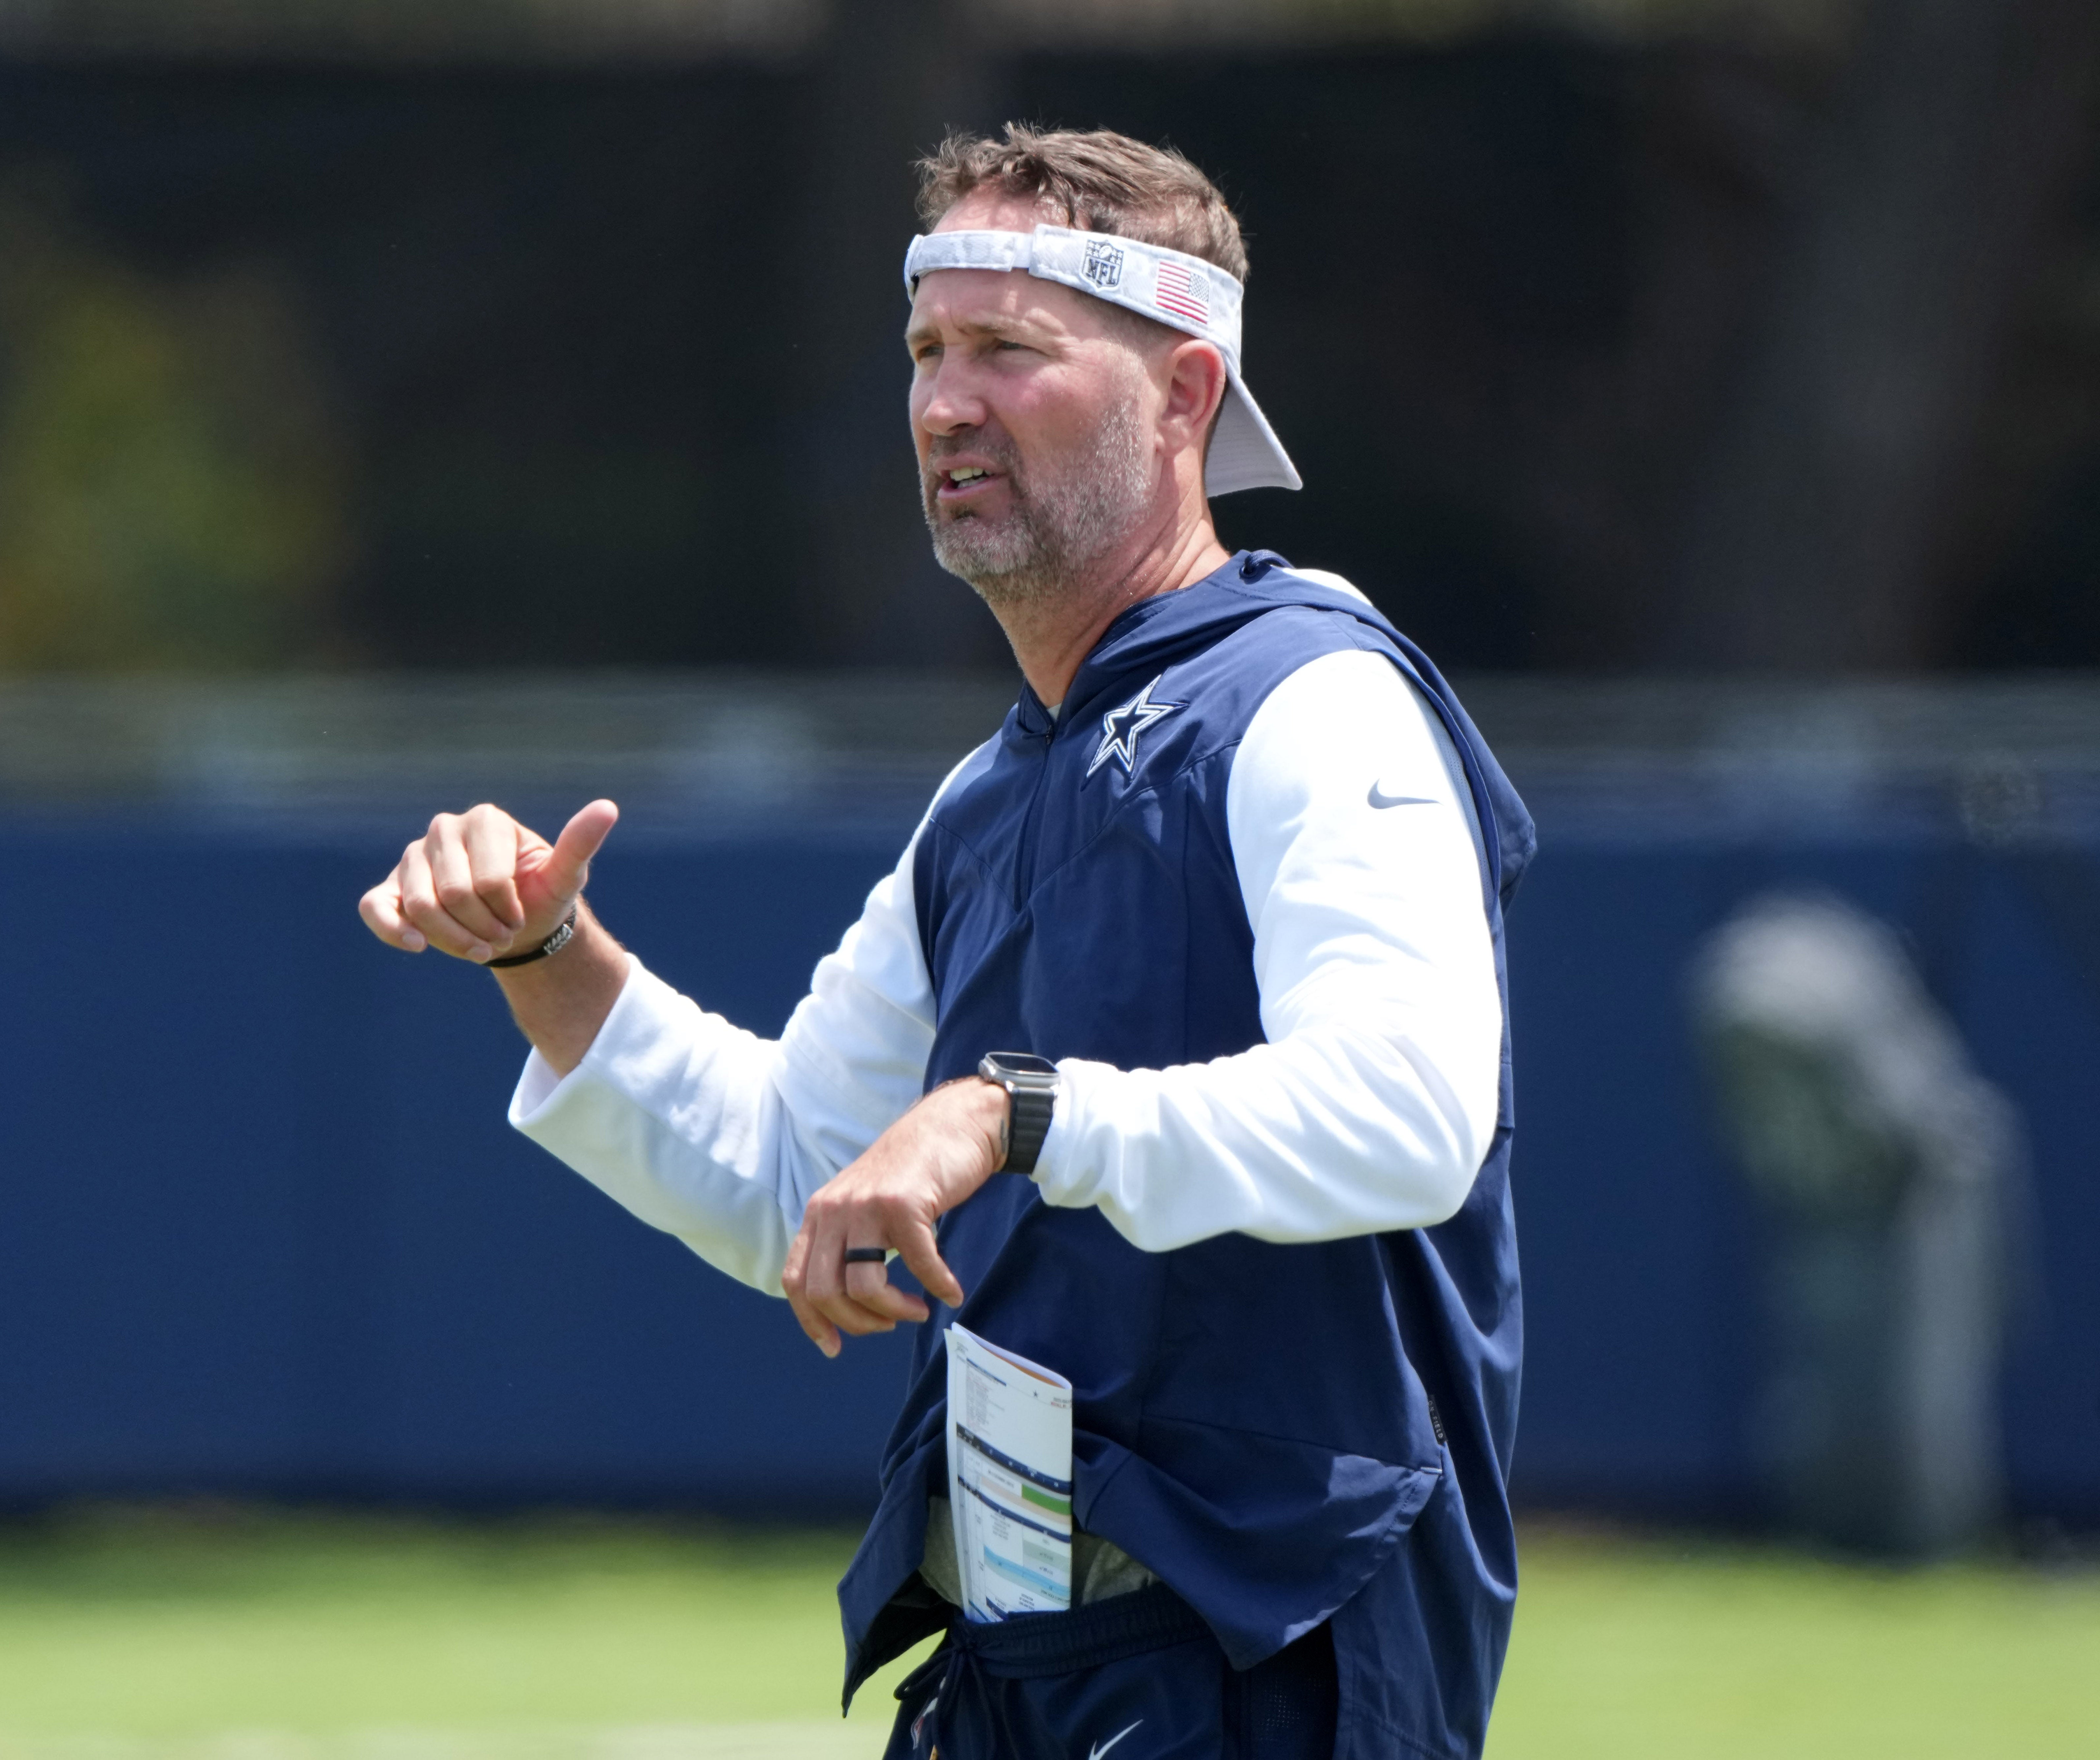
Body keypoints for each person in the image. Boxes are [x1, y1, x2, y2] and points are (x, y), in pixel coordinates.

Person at [359, 125, 1535, 1760]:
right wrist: (543, 955)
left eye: (1009, 350)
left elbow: (1412, 1114)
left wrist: (1012, 1109)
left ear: (1185, 399)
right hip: (1026, 1659)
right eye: (925, 349)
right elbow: (798, 1168)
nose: (942, 402)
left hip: (1269, 1647)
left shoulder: (1314, 699)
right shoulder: (994, 787)